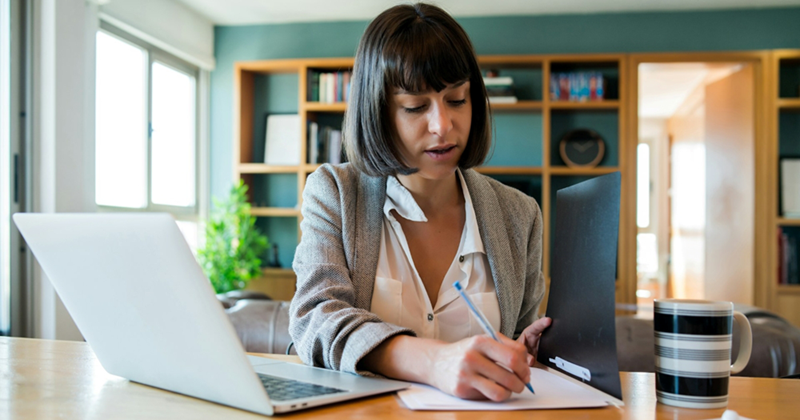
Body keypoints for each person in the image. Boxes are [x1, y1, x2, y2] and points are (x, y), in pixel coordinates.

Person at [289, 3, 550, 402]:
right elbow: (315, 319)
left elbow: (518, 349)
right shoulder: (334, 193)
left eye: (457, 99)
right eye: (415, 107)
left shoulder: (520, 214)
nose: (442, 126)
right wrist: (434, 361)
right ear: (378, 113)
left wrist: (524, 355)